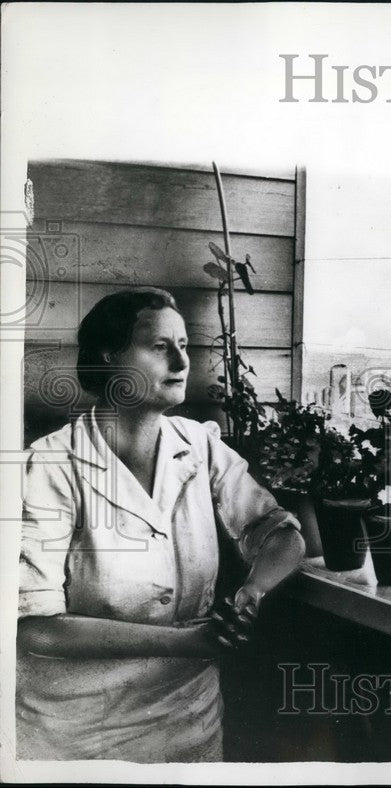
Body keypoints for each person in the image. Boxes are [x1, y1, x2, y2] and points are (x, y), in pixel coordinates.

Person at [16, 287, 306, 762]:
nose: (180, 360)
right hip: (78, 734)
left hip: (189, 720)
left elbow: (280, 534)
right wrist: (189, 641)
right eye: (159, 347)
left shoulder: (199, 445)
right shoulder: (49, 465)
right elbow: (35, 629)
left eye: (184, 345)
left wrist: (253, 590)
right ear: (110, 357)